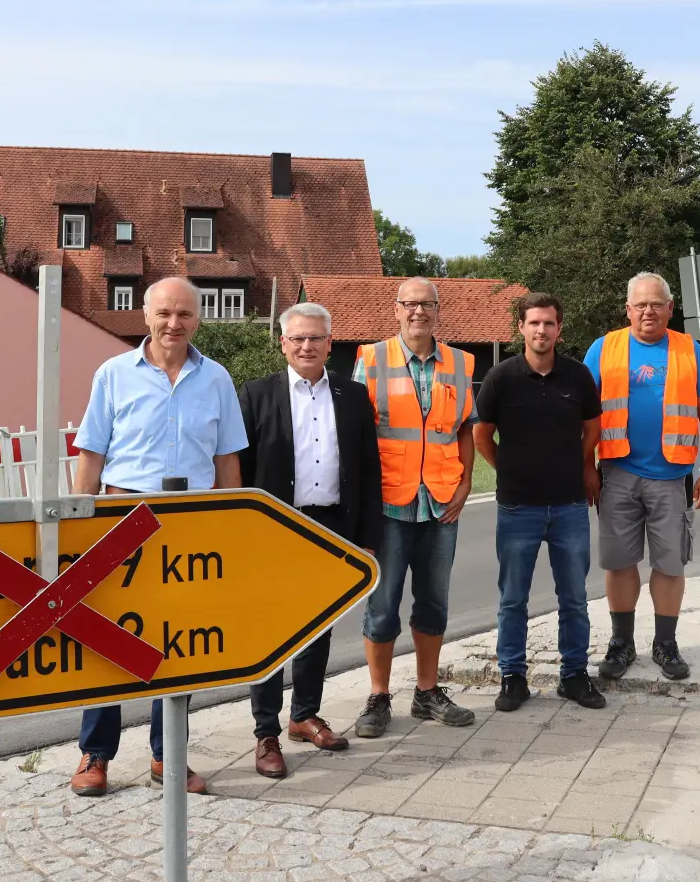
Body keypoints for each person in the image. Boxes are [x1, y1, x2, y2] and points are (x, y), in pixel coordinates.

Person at [66, 276, 248, 797]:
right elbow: (91, 454)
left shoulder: (216, 379)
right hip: (122, 522)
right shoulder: (113, 374)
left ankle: (168, 755)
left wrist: (229, 524)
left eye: (185, 315)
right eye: (165, 314)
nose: (174, 324)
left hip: (189, 529)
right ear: (145, 316)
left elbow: (226, 459)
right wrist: (84, 526)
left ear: (198, 319)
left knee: (180, 643)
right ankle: (95, 754)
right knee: (106, 639)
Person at [237, 302, 382, 778]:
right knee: (270, 629)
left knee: (319, 624)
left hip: (332, 526)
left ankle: (304, 714)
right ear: (282, 343)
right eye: (297, 338)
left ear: (329, 344)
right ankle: (266, 732)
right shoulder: (256, 395)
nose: (306, 346)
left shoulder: (354, 395)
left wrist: (366, 536)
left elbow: (367, 470)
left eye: (315, 338)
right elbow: (239, 471)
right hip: (275, 528)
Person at [350, 277, 478, 738]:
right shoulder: (371, 358)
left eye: (426, 304)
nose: (418, 312)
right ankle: (378, 697)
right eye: (410, 304)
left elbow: (466, 428)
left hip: (442, 502)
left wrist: (465, 484)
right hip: (389, 503)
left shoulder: (461, 363)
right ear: (397, 310)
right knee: (382, 606)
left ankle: (427, 692)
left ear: (438, 311)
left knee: (434, 603)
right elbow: (358, 432)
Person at [583, 272, 700, 682]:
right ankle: (621, 644)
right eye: (640, 304)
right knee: (620, 562)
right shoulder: (602, 348)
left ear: (670, 309)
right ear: (628, 309)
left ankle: (665, 645)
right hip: (616, 472)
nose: (648, 311)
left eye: (656, 304)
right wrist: (584, 469)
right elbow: (583, 415)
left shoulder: (689, 350)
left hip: (672, 476)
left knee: (670, 564)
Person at [473, 292, 607, 711]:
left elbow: (593, 430)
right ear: (521, 328)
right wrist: (508, 470)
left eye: (549, 323)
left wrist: (582, 467)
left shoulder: (578, 376)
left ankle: (574, 676)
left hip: (569, 506)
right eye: (534, 323)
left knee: (574, 597)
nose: (541, 330)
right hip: (518, 508)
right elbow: (481, 436)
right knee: (513, 598)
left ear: (559, 329)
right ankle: (513, 677)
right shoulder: (501, 377)